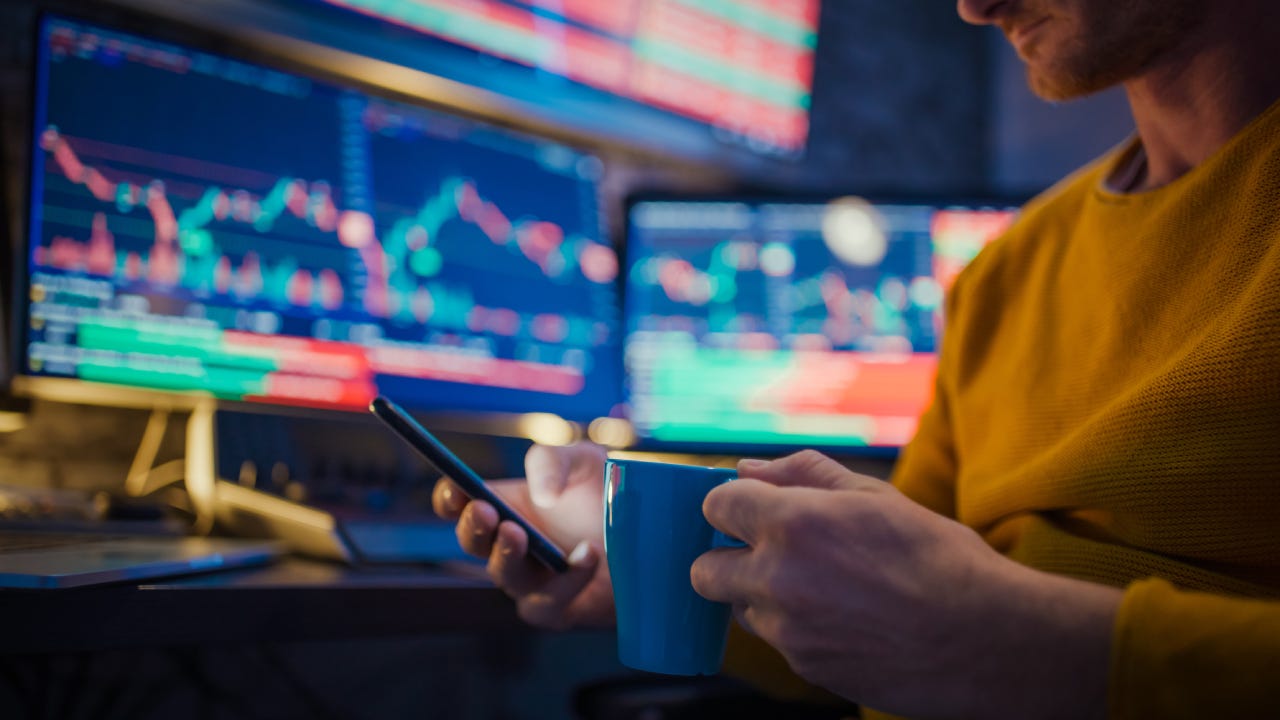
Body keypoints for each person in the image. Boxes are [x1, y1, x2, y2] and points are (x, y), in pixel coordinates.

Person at [434, 0, 1280, 716]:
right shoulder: (1008, 272)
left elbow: (958, 631)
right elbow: (894, 632)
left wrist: (1012, 641)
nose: (973, 7)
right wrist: (672, 580)